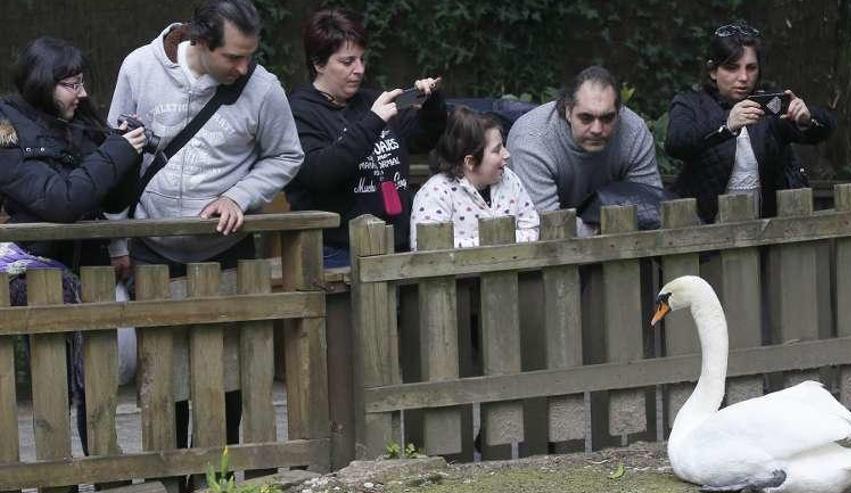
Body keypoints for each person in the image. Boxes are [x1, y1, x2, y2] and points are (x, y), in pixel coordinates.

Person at [107, 0, 303, 448]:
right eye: (232, 57)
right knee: (163, 366)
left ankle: (219, 469)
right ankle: (175, 471)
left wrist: (240, 195)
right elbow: (114, 155)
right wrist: (117, 238)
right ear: (199, 41)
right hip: (151, 244)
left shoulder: (263, 88)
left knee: (228, 367)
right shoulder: (140, 68)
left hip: (224, 246)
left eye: (249, 55)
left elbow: (287, 154)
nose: (243, 67)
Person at [0, 37, 145, 454]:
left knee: (98, 379)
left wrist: (127, 153)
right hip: (40, 273)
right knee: (54, 382)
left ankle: (105, 472)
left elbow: (114, 199)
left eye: (82, 83)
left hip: (92, 266)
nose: (82, 94)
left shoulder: (78, 118)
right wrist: (117, 151)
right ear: (43, 83)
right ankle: (57, 476)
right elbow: (59, 200)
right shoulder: (6, 130)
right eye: (72, 84)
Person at [286, 7, 447, 267]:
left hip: (397, 244)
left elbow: (424, 138)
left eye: (362, 59)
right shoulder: (298, 111)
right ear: (318, 63)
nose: (359, 69)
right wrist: (372, 122)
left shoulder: (370, 100)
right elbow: (320, 173)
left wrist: (432, 103)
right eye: (348, 62)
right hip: (337, 253)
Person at [666, 22, 835, 223]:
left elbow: (825, 129)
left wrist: (806, 118)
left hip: (766, 228)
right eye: (732, 68)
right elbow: (676, 143)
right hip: (705, 229)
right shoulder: (690, 103)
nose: (744, 77)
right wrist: (726, 125)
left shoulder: (771, 103)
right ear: (713, 71)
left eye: (751, 68)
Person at [507, 66, 662, 237]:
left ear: (619, 113)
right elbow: (547, 223)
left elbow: (651, 209)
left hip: (620, 245)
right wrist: (604, 232)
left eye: (607, 118)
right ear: (567, 111)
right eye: (586, 118)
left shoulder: (634, 132)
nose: (597, 129)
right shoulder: (532, 138)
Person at [411, 106, 539, 249]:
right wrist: (492, 244)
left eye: (503, 145)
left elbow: (533, 230)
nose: (507, 154)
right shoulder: (435, 193)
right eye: (497, 150)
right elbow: (426, 248)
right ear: (470, 162)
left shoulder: (510, 179)